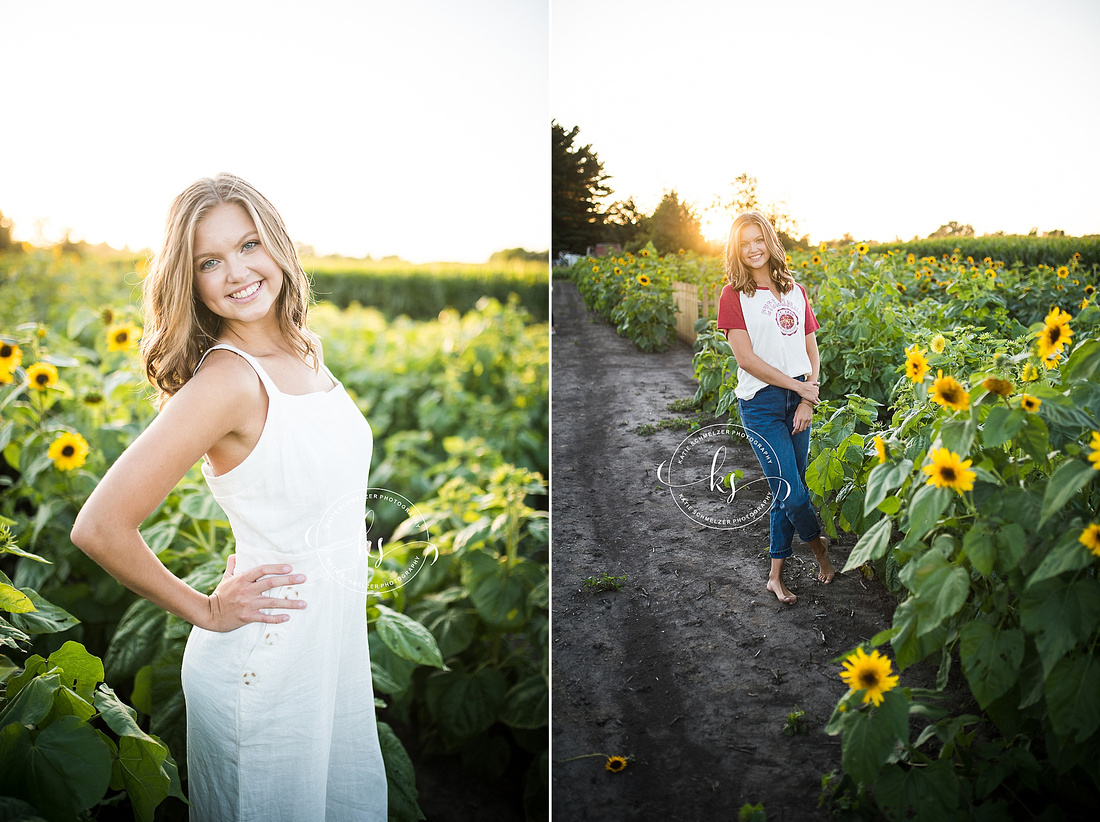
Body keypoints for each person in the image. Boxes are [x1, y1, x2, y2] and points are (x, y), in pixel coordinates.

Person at [71, 173, 388, 820]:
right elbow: (100, 526)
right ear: (190, 282)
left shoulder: (304, 351)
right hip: (264, 664)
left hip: (327, 649)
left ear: (277, 246)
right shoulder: (227, 382)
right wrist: (208, 611)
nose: (236, 272)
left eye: (248, 245)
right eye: (209, 262)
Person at [716, 211, 835, 605]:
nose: (752, 249)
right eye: (744, 243)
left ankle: (775, 576)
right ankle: (819, 548)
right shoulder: (734, 294)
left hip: (799, 402)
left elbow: (811, 347)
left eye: (758, 240)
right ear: (736, 249)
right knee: (792, 491)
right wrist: (798, 389)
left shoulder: (794, 290)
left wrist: (806, 398)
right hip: (762, 406)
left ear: (769, 241)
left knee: (788, 489)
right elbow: (746, 359)